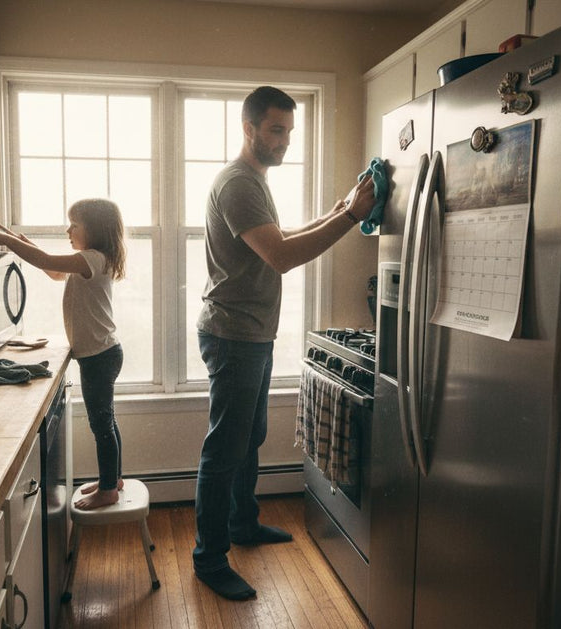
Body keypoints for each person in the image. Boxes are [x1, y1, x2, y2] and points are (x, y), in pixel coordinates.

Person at [193, 85, 376, 600]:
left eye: (289, 132)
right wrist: (349, 217)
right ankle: (208, 559)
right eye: (276, 130)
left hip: (249, 332)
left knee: (248, 437)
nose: (285, 142)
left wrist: (339, 208)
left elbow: (281, 236)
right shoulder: (238, 184)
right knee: (225, 449)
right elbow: (282, 256)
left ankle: (242, 524)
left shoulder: (253, 180)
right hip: (234, 335)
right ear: (249, 128)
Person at [0, 198, 127, 510]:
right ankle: (113, 480)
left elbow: (45, 259)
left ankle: (109, 490)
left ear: (94, 230)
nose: (68, 230)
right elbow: (53, 270)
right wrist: (24, 243)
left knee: (101, 424)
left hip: (99, 357)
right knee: (107, 421)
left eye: (74, 225)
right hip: (102, 352)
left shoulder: (92, 258)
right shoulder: (89, 259)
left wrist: (8, 241)